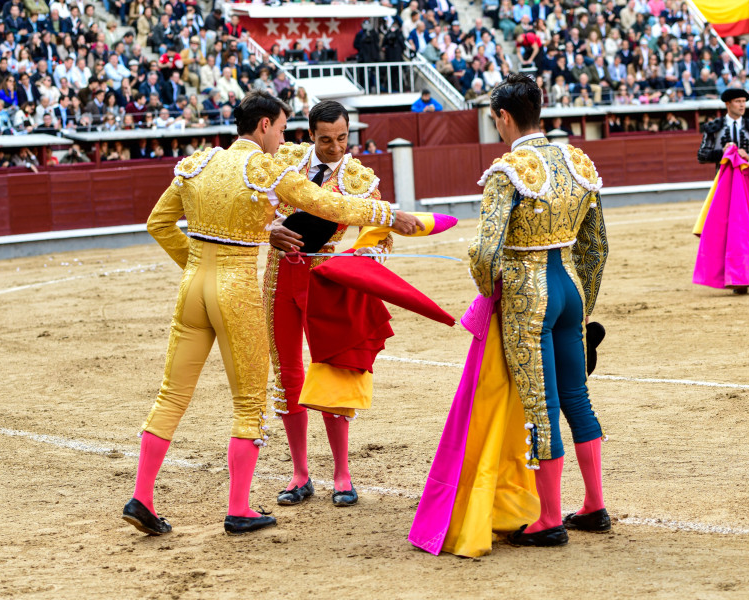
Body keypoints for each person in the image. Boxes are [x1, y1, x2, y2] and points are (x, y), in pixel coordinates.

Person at [121, 90, 424, 537]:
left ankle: (141, 497)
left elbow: (159, 223)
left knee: (172, 394)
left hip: (213, 285)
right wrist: (388, 212)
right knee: (256, 396)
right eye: (282, 129)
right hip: (247, 285)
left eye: (343, 139)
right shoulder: (269, 166)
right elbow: (329, 206)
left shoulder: (198, 162)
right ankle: (242, 506)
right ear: (266, 126)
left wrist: (200, 261)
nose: (334, 147)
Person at [410, 74, 609, 555]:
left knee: (540, 406)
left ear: (502, 115)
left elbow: (484, 251)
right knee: (576, 397)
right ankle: (594, 504)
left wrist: (492, 294)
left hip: (528, 294)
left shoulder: (508, 171)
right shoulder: (577, 161)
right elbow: (597, 247)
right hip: (570, 288)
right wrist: (586, 303)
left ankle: (547, 518)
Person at [262, 101, 396, 509]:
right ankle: (300, 474)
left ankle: (342, 472)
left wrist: (364, 256)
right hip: (281, 275)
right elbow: (253, 206)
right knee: (288, 373)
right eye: (325, 140)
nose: (336, 148)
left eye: (341, 139)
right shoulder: (284, 161)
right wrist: (270, 230)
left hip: (329, 279)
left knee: (333, 371)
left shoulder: (359, 178)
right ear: (310, 134)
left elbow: (380, 232)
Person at [694, 88, 749, 294]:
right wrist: (724, 152)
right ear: (728, 104)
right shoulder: (714, 128)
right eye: (738, 101)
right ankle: (729, 274)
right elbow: (702, 155)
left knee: (747, 228)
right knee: (723, 231)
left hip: (746, 184)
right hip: (723, 186)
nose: (742, 105)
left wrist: (748, 157)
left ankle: (744, 274)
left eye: (744, 101)